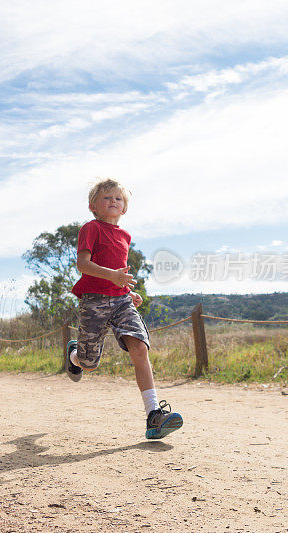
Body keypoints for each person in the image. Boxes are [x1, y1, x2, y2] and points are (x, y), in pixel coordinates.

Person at [65, 178, 182, 439]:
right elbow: (83, 265)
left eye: (118, 198)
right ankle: (74, 355)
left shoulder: (125, 236)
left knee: (139, 346)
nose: (113, 202)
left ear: (125, 207)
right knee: (89, 363)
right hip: (93, 300)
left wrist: (128, 291)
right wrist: (114, 278)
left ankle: (154, 415)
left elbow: (119, 271)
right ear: (93, 206)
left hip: (121, 301)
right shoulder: (91, 228)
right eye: (106, 198)